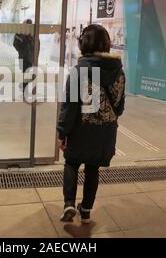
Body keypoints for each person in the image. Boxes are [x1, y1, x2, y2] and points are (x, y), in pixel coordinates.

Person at [57, 24, 126, 224]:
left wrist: (62, 131)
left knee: (71, 162)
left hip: (81, 130)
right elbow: (120, 108)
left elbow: (69, 107)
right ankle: (86, 210)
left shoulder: (80, 71)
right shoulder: (119, 72)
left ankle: (69, 203)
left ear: (82, 44)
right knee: (92, 168)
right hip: (105, 132)